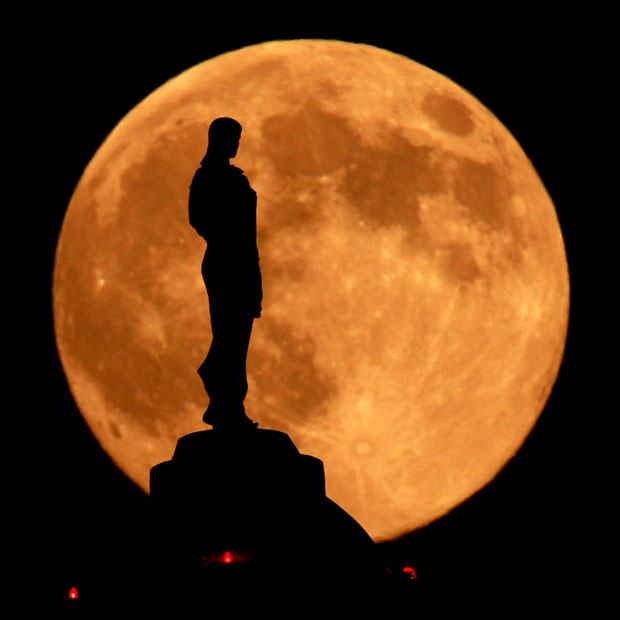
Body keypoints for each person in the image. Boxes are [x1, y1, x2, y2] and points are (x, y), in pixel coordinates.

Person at [188, 117, 262, 430]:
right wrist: (224, 235)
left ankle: (229, 403)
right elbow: (198, 217)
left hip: (243, 261)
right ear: (218, 139)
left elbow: (250, 235)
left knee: (237, 337)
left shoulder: (236, 178)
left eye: (239, 137)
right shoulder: (207, 176)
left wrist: (255, 278)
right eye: (232, 137)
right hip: (223, 261)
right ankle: (223, 399)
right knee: (229, 335)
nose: (236, 143)